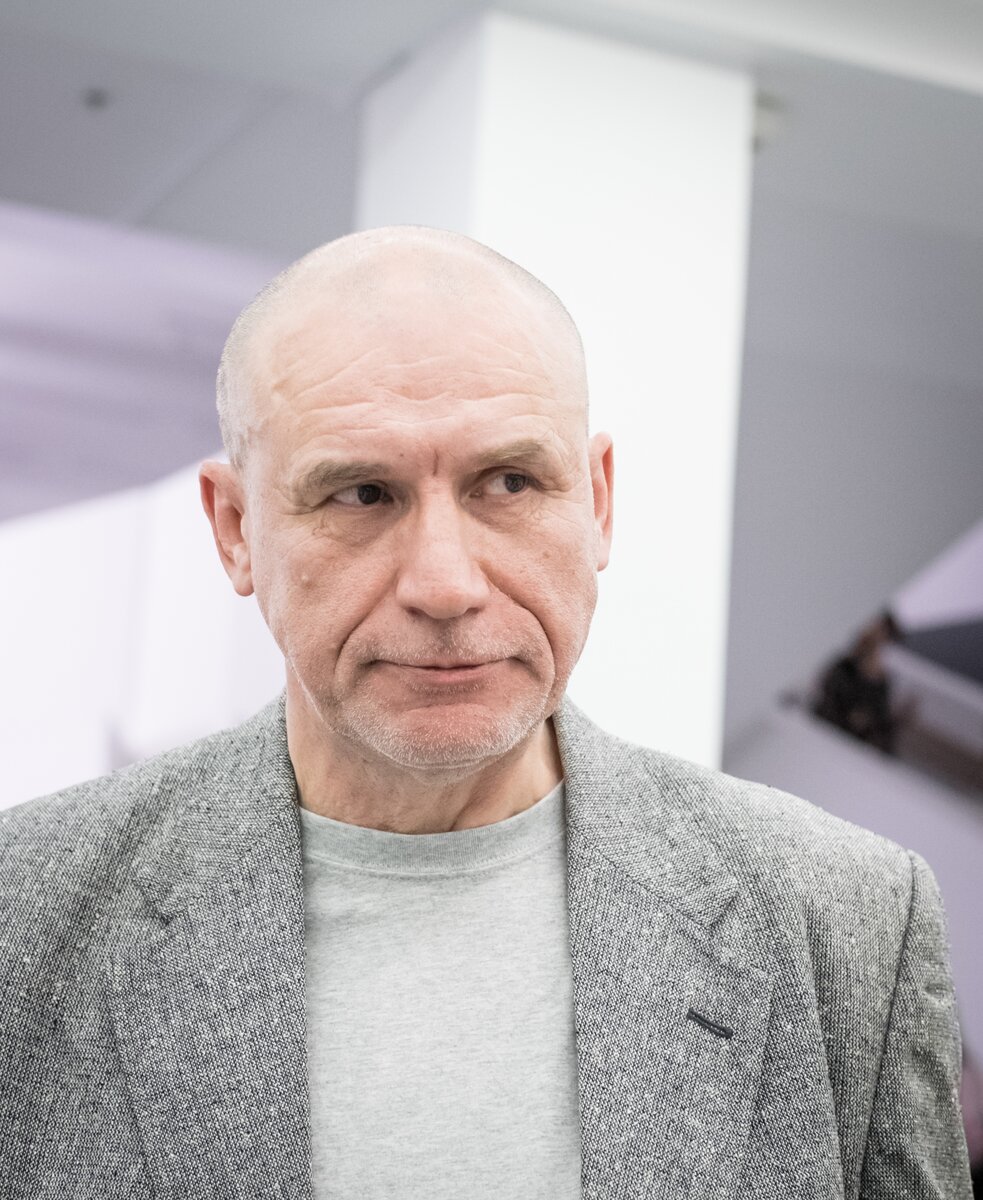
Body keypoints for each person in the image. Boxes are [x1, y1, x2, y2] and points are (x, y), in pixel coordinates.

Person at [0, 227, 970, 1198]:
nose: (445, 584)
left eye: (508, 483)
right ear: (234, 530)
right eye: (361, 493)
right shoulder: (27, 918)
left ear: (596, 503)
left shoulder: (843, 920)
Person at [813, 610, 906, 753]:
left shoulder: (881, 681)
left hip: (848, 745)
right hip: (822, 730)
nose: (872, 631)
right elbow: (827, 694)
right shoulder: (844, 664)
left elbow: (876, 721)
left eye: (880, 630)